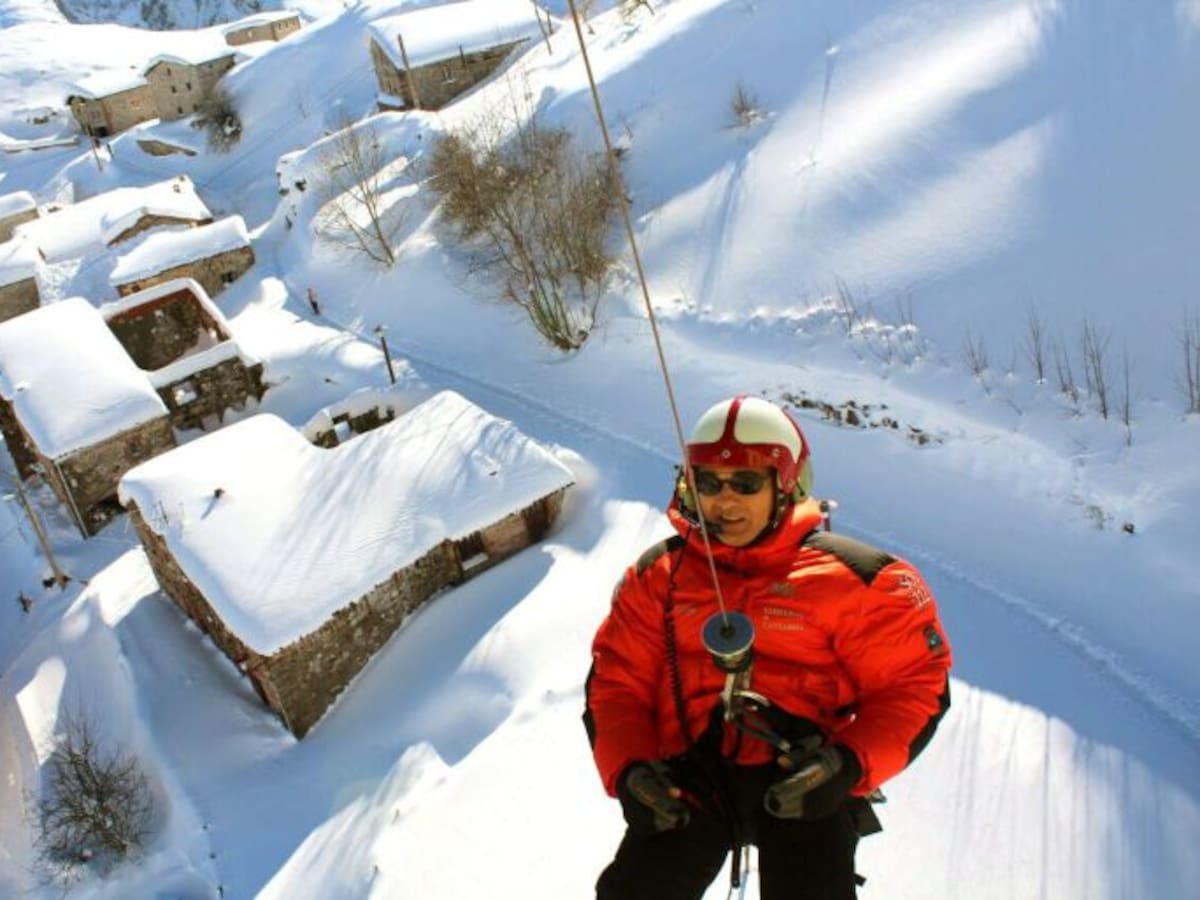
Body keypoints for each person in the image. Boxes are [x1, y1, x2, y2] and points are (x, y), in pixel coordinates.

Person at [583, 395, 952, 899]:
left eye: (746, 483)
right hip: (690, 778)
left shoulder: (861, 582)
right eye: (708, 483)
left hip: (804, 779)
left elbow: (914, 686)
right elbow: (616, 683)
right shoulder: (658, 578)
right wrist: (630, 770)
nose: (725, 501)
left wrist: (846, 764)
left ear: (787, 487)